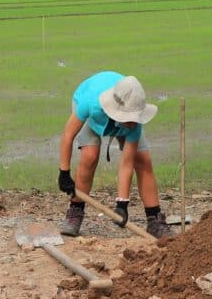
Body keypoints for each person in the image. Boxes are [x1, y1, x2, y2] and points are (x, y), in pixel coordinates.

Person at [57, 71, 171, 238]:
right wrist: (64, 171)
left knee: (143, 159)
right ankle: (75, 211)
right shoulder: (90, 102)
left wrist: (122, 203)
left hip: (117, 106)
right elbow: (68, 134)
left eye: (135, 118)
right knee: (90, 156)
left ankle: (155, 220)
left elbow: (127, 162)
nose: (133, 122)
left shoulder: (135, 122)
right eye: (129, 118)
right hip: (91, 106)